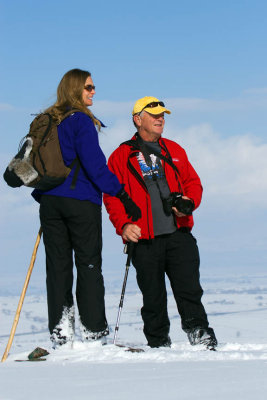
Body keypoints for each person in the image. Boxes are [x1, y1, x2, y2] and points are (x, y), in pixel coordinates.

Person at [31, 69, 141, 348]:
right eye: (89, 87)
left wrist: (43, 193)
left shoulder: (48, 120)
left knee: (57, 268)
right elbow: (94, 164)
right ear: (75, 89)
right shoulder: (80, 120)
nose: (93, 92)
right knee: (89, 265)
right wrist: (121, 193)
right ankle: (93, 332)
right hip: (80, 202)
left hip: (50, 202)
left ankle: (61, 333)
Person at [103, 96, 217, 350]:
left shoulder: (174, 150)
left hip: (179, 233)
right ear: (137, 119)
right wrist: (123, 226)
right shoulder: (121, 155)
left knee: (189, 289)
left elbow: (193, 182)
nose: (160, 119)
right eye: (153, 115)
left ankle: (199, 332)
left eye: (162, 115)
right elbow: (111, 195)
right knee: (153, 297)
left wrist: (189, 201)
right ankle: (158, 342)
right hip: (144, 238)